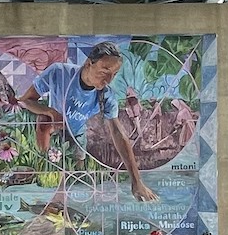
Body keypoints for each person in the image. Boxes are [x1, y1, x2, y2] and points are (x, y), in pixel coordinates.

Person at [19, 40, 158, 202]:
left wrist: (137, 181)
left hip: (77, 136)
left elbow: (118, 132)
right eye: (105, 70)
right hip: (53, 131)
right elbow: (26, 100)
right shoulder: (59, 72)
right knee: (44, 128)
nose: (109, 79)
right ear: (88, 63)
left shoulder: (106, 95)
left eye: (114, 74)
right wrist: (50, 111)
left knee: (75, 179)